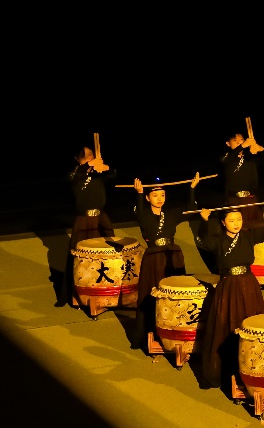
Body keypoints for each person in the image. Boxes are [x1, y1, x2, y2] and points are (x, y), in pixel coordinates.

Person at [195, 199, 264, 389]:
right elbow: (204, 240)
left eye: (239, 219)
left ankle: (252, 369)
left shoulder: (248, 236)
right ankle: (225, 370)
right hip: (228, 286)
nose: (236, 223)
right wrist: (204, 221)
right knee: (225, 323)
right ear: (223, 222)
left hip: (248, 284)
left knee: (251, 322)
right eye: (231, 220)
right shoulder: (217, 240)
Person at [130, 173, 200, 349]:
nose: (160, 198)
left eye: (162, 195)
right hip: (153, 257)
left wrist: (192, 188)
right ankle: (147, 332)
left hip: (171, 255)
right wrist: (139, 194)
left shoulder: (171, 213)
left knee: (174, 293)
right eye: (155, 195)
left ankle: (176, 329)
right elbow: (140, 212)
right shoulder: (144, 214)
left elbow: (191, 208)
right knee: (151, 293)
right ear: (148, 198)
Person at [63, 143, 117, 308]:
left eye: (91, 155)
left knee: (108, 254)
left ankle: (107, 293)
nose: (89, 159)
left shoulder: (98, 173)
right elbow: (73, 177)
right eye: (86, 156)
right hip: (83, 220)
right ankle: (77, 295)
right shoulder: (75, 173)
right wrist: (89, 165)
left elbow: (113, 175)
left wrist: (106, 167)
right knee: (80, 257)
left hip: (101, 218)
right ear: (78, 159)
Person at [219, 129, 264, 230]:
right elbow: (225, 161)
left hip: (251, 199)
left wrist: (261, 149)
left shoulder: (250, 157)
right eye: (235, 140)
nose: (239, 142)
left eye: (241, 140)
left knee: (257, 227)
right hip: (233, 200)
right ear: (228, 143)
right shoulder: (226, 157)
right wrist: (242, 146)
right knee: (238, 229)